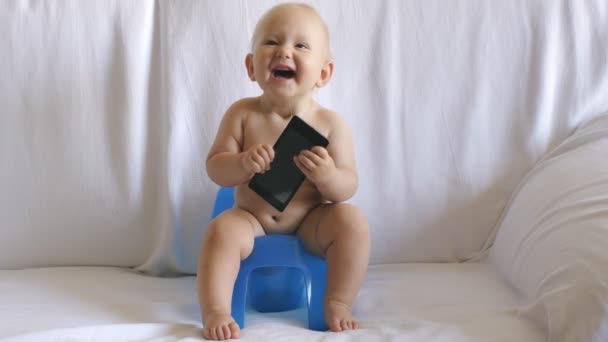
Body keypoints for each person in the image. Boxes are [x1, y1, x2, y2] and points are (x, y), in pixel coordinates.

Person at [197, 3, 370, 340]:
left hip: (310, 220)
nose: (284, 52)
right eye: (272, 42)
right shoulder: (242, 114)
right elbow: (216, 167)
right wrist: (243, 163)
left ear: (323, 73)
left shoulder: (330, 125)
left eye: (301, 46)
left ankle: (337, 301)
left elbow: (347, 185)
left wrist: (327, 176)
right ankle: (216, 309)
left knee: (353, 222)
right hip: (251, 217)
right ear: (251, 66)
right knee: (221, 231)